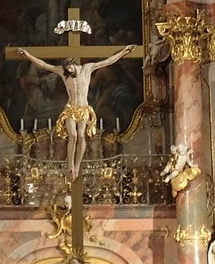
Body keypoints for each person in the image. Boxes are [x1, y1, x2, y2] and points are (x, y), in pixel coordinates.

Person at [19, 43, 135, 178]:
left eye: (69, 68)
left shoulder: (87, 69)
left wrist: (123, 52)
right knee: (72, 136)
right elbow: (44, 65)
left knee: (81, 136)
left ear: (73, 64)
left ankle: (77, 166)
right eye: (66, 69)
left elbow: (108, 61)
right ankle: (70, 166)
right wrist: (27, 56)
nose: (68, 71)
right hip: (70, 108)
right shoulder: (64, 73)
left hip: (83, 108)